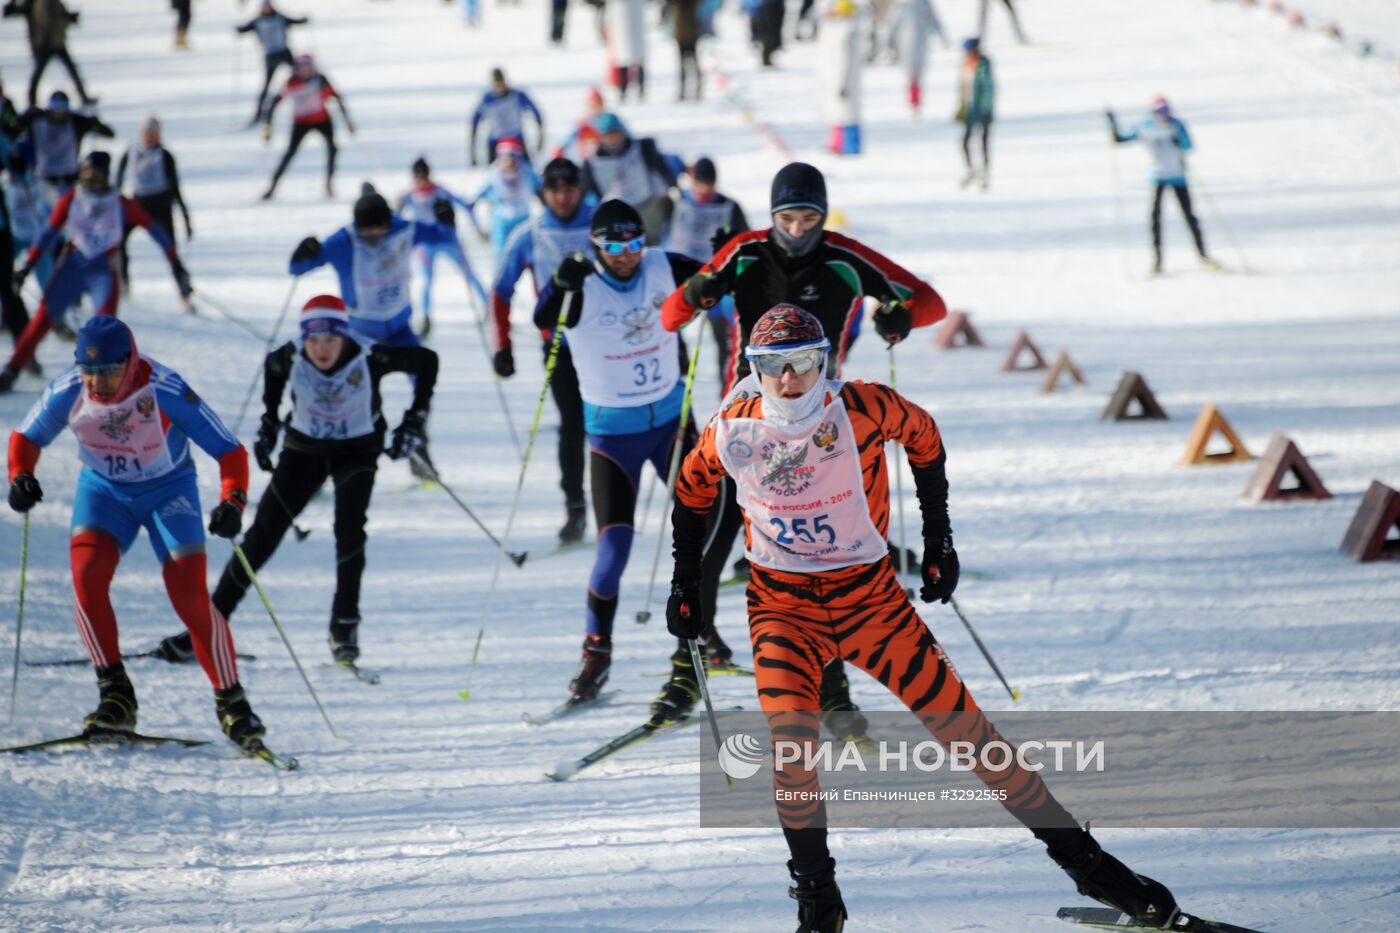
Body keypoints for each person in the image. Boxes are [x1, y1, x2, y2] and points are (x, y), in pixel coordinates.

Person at [667, 304, 1180, 933]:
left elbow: (926, 438)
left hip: (872, 604)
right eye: (773, 365)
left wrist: (939, 539)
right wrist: (685, 583)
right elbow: (691, 494)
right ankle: (819, 902)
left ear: (824, 361)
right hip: (783, 610)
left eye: (803, 361)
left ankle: (1091, 868)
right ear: (754, 368)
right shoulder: (731, 428)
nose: (789, 378)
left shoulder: (862, 406)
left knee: (970, 736)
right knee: (792, 753)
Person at [656, 161, 947, 731]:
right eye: (786, 218)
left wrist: (901, 314)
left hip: (822, 426)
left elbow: (931, 301)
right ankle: (686, 667)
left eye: (808, 218)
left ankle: (832, 691)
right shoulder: (744, 251)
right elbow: (671, 318)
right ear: (771, 215)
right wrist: (696, 290)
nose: (796, 229)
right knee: (709, 547)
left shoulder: (845, 256)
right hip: (748, 423)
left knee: (824, 557)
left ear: (823, 214)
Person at [6, 317, 270, 750]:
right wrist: (21, 477)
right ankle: (115, 694)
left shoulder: (164, 388)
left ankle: (232, 702)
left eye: (109, 371)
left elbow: (229, 449)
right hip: (105, 492)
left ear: (129, 363)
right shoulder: (68, 389)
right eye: (89, 371)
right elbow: (26, 438)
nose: (97, 382)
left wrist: (233, 501)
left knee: (189, 594)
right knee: (87, 579)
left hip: (169, 491)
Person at [151, 296, 439, 666]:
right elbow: (272, 373)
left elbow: (427, 361)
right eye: (313, 341)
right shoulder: (288, 357)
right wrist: (269, 425)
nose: (322, 349)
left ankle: (344, 625)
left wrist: (414, 421)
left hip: (357, 452)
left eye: (331, 340)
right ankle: (206, 629)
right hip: (304, 451)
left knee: (350, 529)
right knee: (263, 534)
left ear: (345, 336)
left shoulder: (371, 356)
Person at [530, 199, 704, 704]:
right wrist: (557, 283)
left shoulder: (662, 265)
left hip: (673, 424)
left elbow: (717, 275)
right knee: (613, 552)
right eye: (614, 246)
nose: (626, 255)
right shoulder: (581, 285)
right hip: (612, 437)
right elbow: (543, 317)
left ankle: (700, 637)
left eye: (634, 244)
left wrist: (724, 261)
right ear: (596, 245)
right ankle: (596, 652)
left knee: (710, 526)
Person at [0, 151, 192, 394]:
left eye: (96, 173)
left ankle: (98, 381)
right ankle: (12, 370)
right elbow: (47, 232)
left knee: (104, 328)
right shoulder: (71, 199)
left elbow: (156, 231)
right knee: (43, 320)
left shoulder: (120, 203)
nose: (91, 177)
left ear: (105, 174)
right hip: (72, 266)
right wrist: (27, 266)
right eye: (87, 171)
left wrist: (176, 263)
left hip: (103, 271)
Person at [490, 157, 596, 544]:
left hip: (605, 343)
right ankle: (575, 507)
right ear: (544, 193)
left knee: (609, 423)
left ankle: (615, 504)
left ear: (580, 190)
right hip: (559, 345)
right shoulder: (531, 233)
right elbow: (501, 290)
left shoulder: (600, 225)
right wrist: (503, 345)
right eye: (555, 190)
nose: (562, 197)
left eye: (569, 189)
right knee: (572, 423)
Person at [288, 187, 457, 355]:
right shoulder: (343, 242)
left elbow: (443, 236)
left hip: (400, 326)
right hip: (362, 331)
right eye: (367, 231)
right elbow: (298, 268)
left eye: (380, 229)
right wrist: (302, 254)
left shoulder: (404, 230)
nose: (374, 235)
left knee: (422, 366)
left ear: (388, 222)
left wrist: (447, 221)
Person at [1107, 97, 1220, 276]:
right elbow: (1120, 139)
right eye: (1159, 111)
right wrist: (1111, 124)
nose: (1163, 115)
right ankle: (1158, 261)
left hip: (1178, 176)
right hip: (1158, 177)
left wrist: (1179, 141)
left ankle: (1203, 256)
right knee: (1155, 218)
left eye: (1166, 111)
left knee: (1189, 217)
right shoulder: (1145, 126)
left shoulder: (1177, 125)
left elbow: (1189, 146)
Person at [665, 156, 747, 385]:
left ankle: (726, 388)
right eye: (699, 184)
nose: (704, 190)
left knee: (725, 341)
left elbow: (745, 240)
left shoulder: (729, 206)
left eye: (709, 185)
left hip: (713, 280)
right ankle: (676, 371)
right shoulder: (676, 200)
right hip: (680, 278)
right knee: (669, 327)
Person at [395, 156, 488, 337]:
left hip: (448, 240)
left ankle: (488, 305)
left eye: (421, 177)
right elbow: (395, 220)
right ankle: (425, 318)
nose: (419, 181)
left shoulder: (439, 191)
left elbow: (465, 206)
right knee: (426, 281)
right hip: (426, 245)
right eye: (416, 177)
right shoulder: (409, 196)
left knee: (469, 273)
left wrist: (478, 228)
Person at [261, 54, 353, 201]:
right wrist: (268, 128)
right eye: (301, 67)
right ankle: (272, 188)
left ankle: (329, 185)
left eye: (307, 67)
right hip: (301, 122)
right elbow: (273, 104)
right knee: (289, 154)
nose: (304, 70)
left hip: (322, 120)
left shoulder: (320, 80)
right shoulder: (291, 82)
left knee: (332, 149)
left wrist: (348, 123)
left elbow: (337, 98)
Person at [580, 113, 681, 246]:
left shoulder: (642, 148)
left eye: (615, 133)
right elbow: (589, 192)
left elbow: (664, 169)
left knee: (651, 243)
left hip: (648, 204)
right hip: (619, 213)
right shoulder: (593, 162)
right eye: (607, 135)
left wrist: (671, 186)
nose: (612, 138)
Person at [116, 115, 192, 292]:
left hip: (161, 207)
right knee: (119, 241)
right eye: (146, 132)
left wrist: (185, 218)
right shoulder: (132, 151)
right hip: (137, 206)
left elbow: (176, 189)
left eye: (153, 132)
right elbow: (117, 182)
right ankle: (124, 285)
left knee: (170, 249)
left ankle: (184, 292)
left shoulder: (165, 156)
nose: (149, 136)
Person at [15, 90, 113, 197]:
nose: (59, 110)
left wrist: (95, 124)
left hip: (69, 179)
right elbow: (14, 128)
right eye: (55, 105)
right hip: (43, 180)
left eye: (63, 106)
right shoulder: (37, 120)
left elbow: (109, 134)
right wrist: (25, 117)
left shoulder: (75, 121)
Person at [3, 0, 93, 109]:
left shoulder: (53, 2)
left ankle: (84, 97)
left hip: (56, 42)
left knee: (70, 70)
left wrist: (69, 18)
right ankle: (32, 102)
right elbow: (46, 20)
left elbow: (59, 16)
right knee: (39, 74)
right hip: (45, 44)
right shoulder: (37, 3)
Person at [236, 1, 309, 127]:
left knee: (302, 78)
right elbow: (245, 29)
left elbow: (294, 21)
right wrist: (240, 30)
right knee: (267, 85)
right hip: (270, 55)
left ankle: (310, 104)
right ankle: (259, 113)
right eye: (265, 7)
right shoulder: (257, 21)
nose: (267, 9)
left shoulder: (279, 18)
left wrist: (303, 20)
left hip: (284, 52)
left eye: (268, 6)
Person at [467, 138, 541, 263]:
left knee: (528, 257)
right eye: (503, 158)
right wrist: (477, 226)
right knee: (502, 259)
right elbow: (477, 196)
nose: (507, 162)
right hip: (501, 222)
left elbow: (542, 190)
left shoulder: (527, 173)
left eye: (511, 157)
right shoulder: (493, 175)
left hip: (524, 220)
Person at [469, 68, 544, 166]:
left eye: (501, 82)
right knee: (493, 171)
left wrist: (540, 138)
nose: (500, 86)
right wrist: (472, 153)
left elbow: (536, 113)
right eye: (497, 83)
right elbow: (475, 122)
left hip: (516, 138)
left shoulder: (517, 95)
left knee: (526, 169)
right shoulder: (487, 99)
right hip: (495, 141)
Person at [820, 0, 864, 155]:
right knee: (836, 113)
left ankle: (851, 145)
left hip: (845, 80)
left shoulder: (848, 32)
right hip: (833, 78)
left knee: (847, 114)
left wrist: (843, 82)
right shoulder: (835, 29)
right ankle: (836, 143)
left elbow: (846, 60)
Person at [894, 0, 945, 116]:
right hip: (906, 45)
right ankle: (912, 102)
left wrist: (942, 35)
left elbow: (934, 20)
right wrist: (888, 42)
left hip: (922, 45)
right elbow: (894, 23)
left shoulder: (925, 4)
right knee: (910, 76)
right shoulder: (903, 5)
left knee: (919, 76)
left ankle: (917, 103)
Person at [956, 37, 994, 190]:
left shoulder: (983, 64)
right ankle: (971, 169)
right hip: (970, 110)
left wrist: (985, 109)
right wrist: (962, 108)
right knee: (965, 141)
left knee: (983, 142)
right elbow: (964, 88)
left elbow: (987, 88)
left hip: (983, 109)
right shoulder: (966, 64)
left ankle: (984, 173)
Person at [605, 0, 647, 99]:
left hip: (632, 25)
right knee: (623, 60)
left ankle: (639, 87)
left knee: (635, 59)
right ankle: (624, 88)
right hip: (622, 26)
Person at [671, 0, 702, 101]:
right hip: (685, 34)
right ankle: (685, 90)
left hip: (688, 34)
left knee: (692, 64)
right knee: (684, 65)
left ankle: (696, 89)